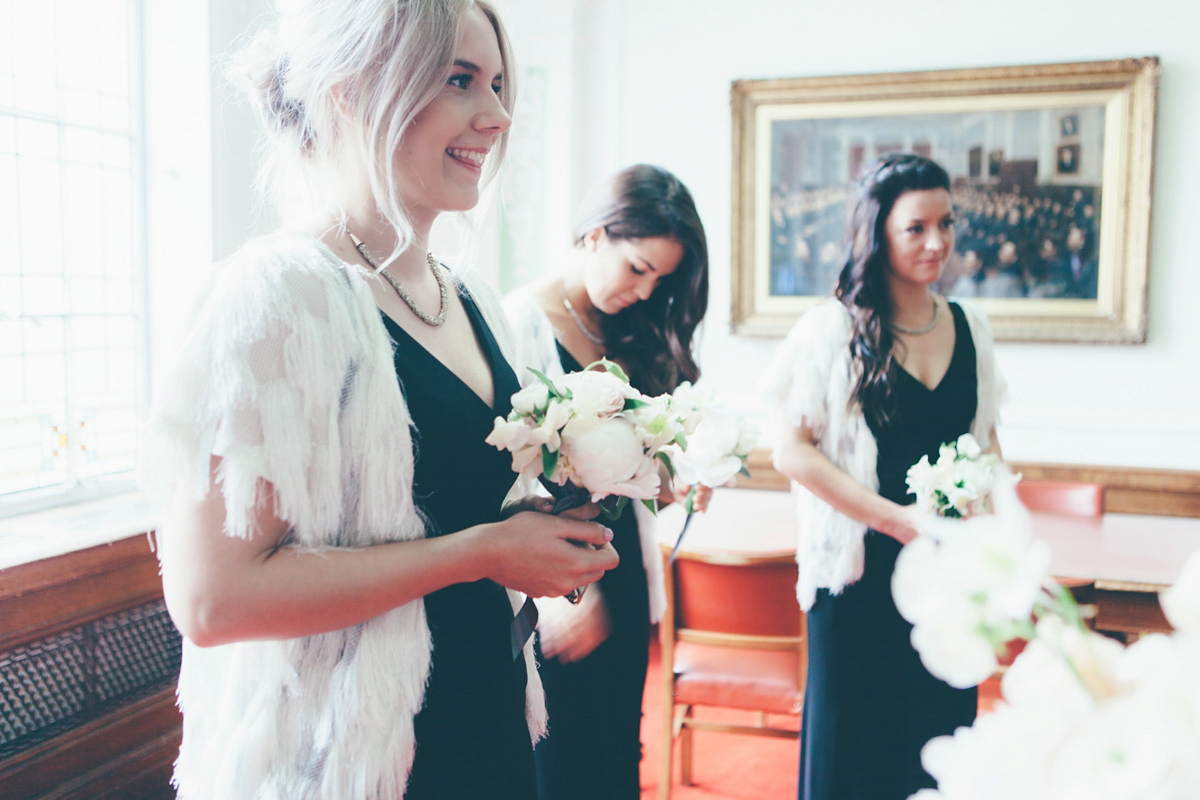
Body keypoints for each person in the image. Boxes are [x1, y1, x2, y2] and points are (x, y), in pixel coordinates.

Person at [149, 3, 619, 799]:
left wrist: (569, 511)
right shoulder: (276, 298)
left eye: (500, 84)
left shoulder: (466, 297)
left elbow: (454, 503)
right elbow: (212, 598)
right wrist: (479, 554)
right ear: (352, 90)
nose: (498, 115)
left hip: (487, 721)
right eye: (460, 80)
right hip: (355, 758)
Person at [764, 153, 1004, 800]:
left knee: (937, 748)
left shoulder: (970, 329)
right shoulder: (830, 330)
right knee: (852, 753)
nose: (938, 243)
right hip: (858, 576)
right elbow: (789, 450)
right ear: (878, 233)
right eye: (917, 228)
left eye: (947, 224)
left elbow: (988, 448)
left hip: (945, 578)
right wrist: (892, 519)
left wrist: (993, 539)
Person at [504, 164, 710, 800]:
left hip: (620, 571)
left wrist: (672, 480)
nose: (647, 293)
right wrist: (545, 596)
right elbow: (502, 478)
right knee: (557, 759)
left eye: (663, 279)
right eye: (639, 268)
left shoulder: (630, 330)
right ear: (595, 235)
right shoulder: (518, 323)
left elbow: (632, 472)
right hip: (550, 579)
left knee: (618, 750)